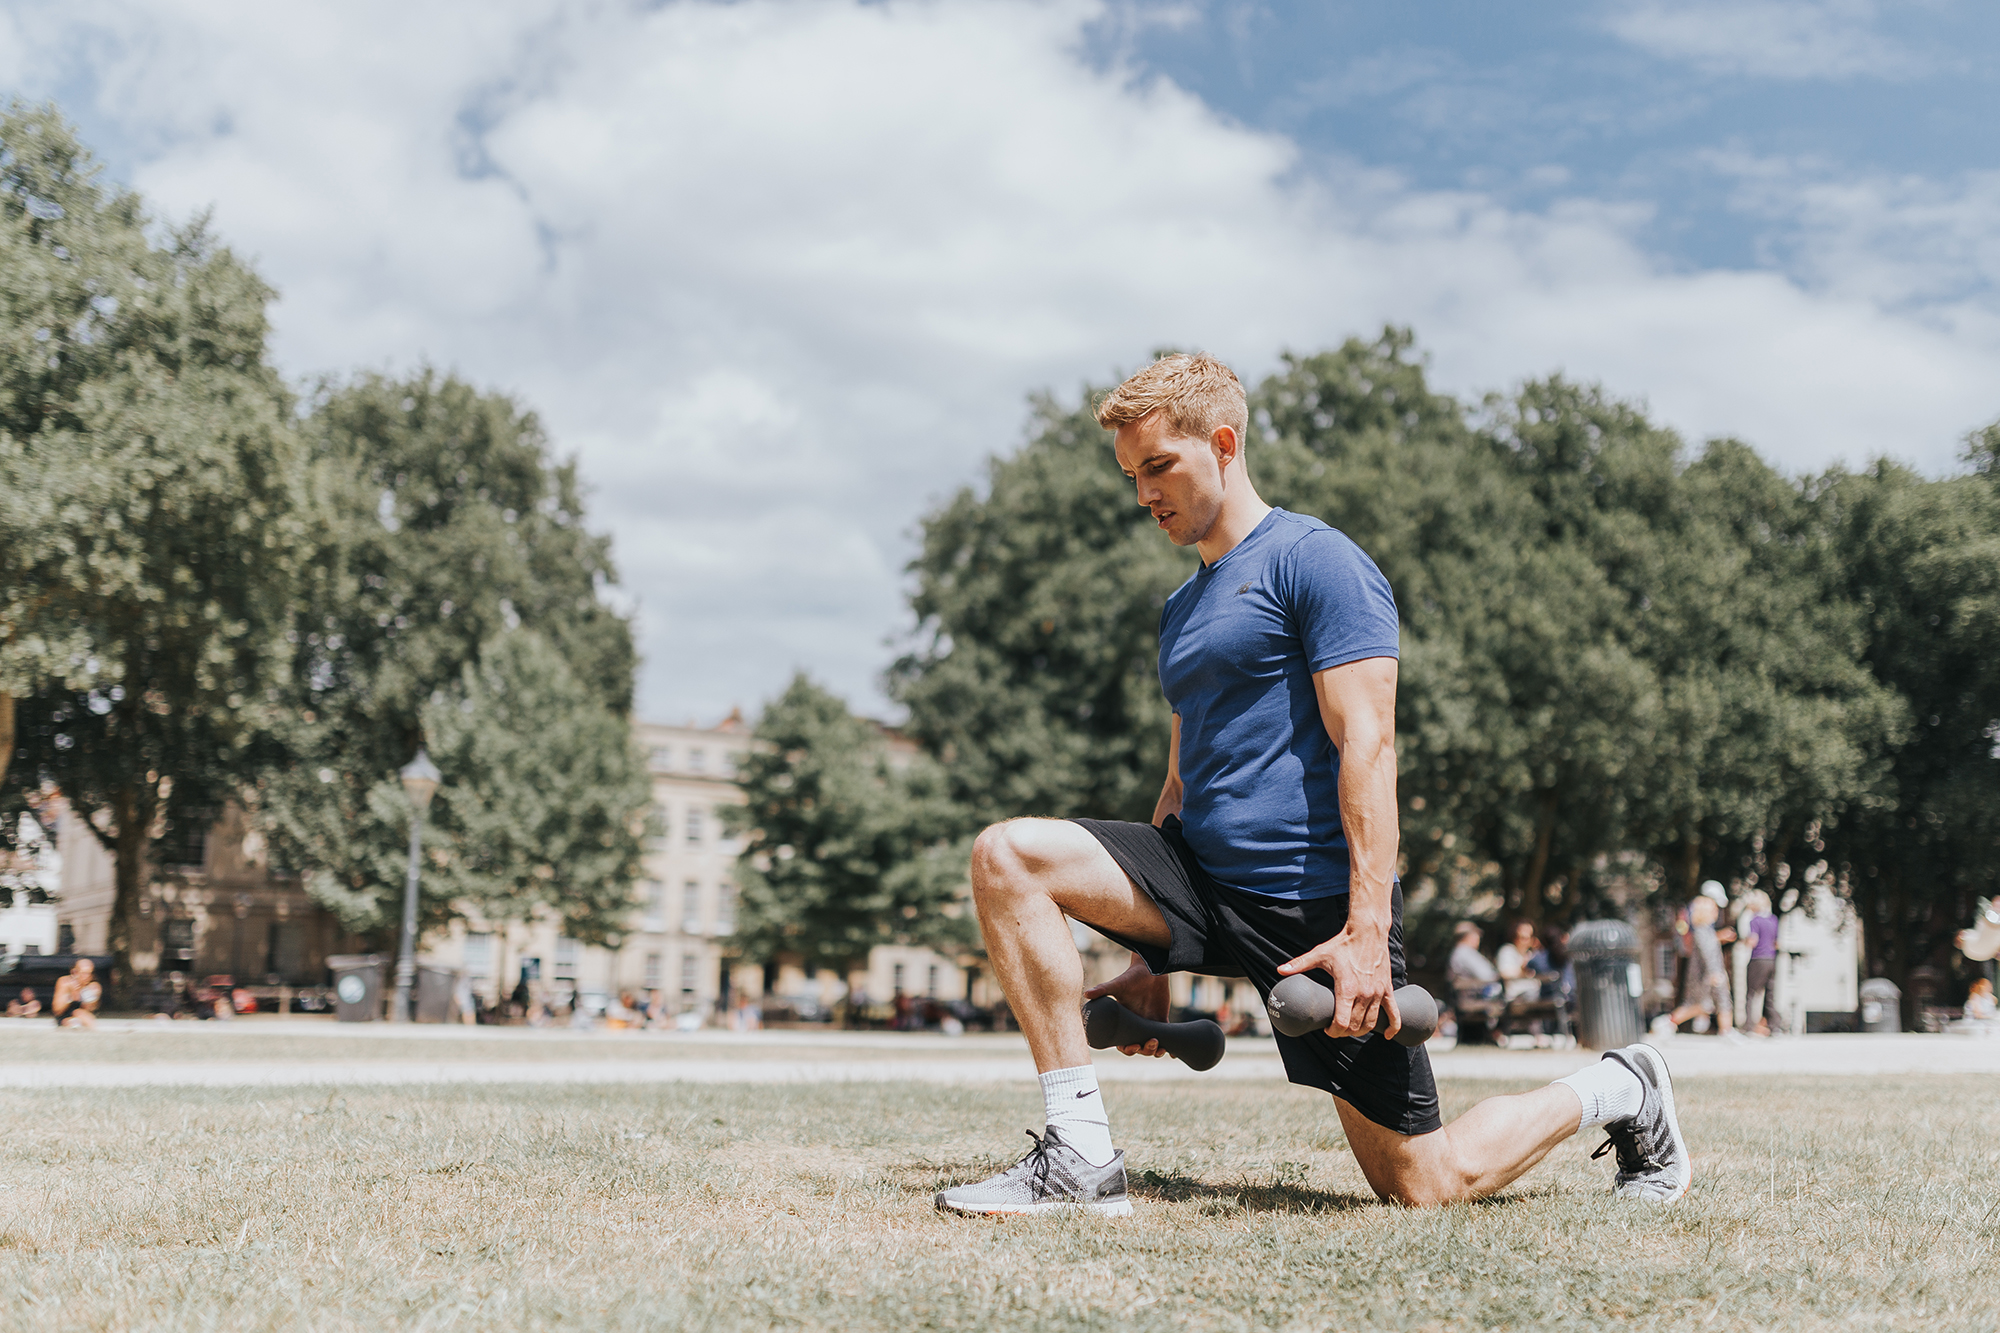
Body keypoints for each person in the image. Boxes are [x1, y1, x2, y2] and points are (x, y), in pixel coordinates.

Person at [933, 354, 1689, 1217]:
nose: (1144, 494)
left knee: (1424, 1183)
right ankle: (1079, 1156)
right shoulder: (1182, 609)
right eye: (1131, 475)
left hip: (1312, 903)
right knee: (1009, 854)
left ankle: (1622, 1085)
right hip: (1200, 877)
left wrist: (1367, 930)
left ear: (1222, 443)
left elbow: (1367, 743)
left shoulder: (1317, 562)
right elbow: (1181, 779)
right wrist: (1152, 954)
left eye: (1157, 467)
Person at [1668, 893, 1739, 1039]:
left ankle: (1727, 1031)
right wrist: (1715, 972)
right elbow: (1707, 953)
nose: (1716, 912)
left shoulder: (1704, 930)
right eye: (1713, 909)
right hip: (1707, 974)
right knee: (1706, 1004)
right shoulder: (1702, 931)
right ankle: (1727, 1032)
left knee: (1706, 1004)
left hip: (1703, 973)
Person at [1739, 890, 1781, 1036]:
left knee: (1751, 994)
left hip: (1757, 959)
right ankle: (1775, 1026)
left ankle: (1749, 1026)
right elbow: (1777, 943)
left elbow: (1752, 941)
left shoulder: (1754, 920)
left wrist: (1743, 941)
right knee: (1770, 995)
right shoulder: (1774, 920)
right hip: (1772, 960)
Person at [51, 958, 101, 1030]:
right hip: (64, 1015)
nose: (87, 976)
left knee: (80, 1013)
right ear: (75, 972)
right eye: (84, 973)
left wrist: (90, 997)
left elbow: (90, 1010)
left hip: (82, 1015)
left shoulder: (92, 986)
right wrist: (71, 996)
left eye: (90, 973)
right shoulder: (65, 983)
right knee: (77, 1014)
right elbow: (57, 1010)